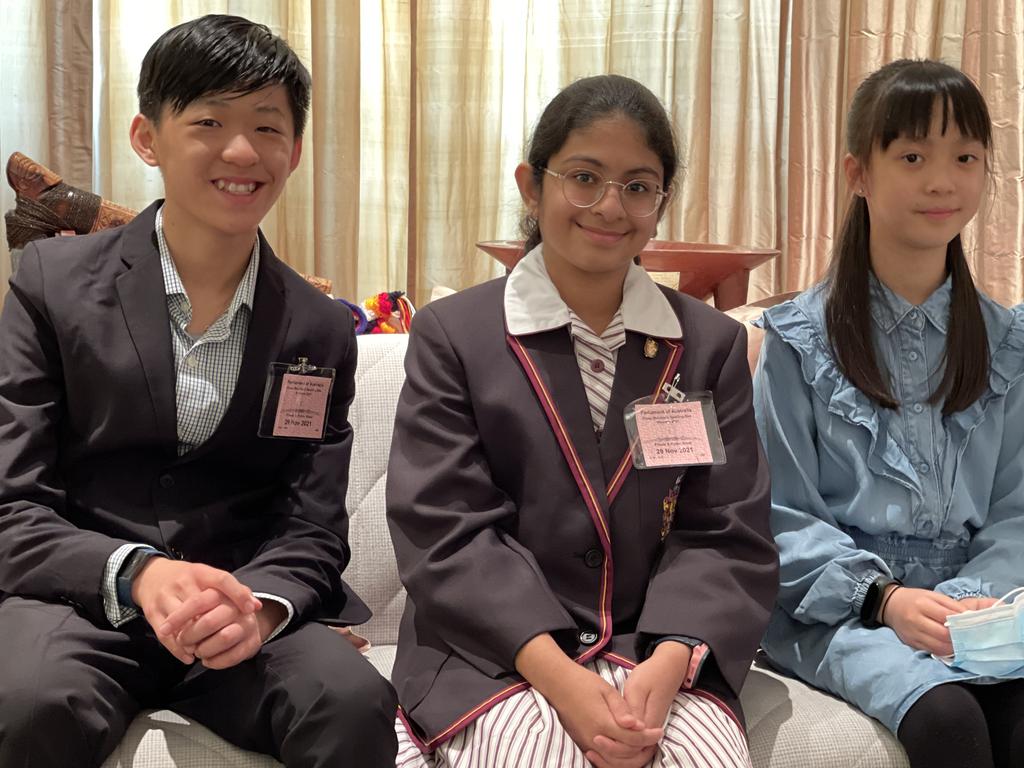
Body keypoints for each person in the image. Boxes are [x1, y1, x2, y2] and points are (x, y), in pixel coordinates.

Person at [0, 14, 397, 767]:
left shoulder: (317, 327)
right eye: (209, 121)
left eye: (266, 127)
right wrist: (139, 572)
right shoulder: (52, 285)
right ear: (147, 137)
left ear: (296, 148)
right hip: (81, 604)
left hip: (236, 611)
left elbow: (312, 525)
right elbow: (12, 501)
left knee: (350, 700)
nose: (242, 152)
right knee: (31, 701)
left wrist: (265, 608)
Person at [387, 74, 778, 768]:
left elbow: (726, 530)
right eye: (584, 177)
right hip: (496, 653)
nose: (609, 206)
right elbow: (445, 529)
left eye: (637, 186)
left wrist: (669, 659)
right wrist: (561, 678)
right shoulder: (457, 334)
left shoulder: (709, 344)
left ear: (660, 204)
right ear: (531, 187)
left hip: (651, 644)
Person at [754, 59, 1024, 768]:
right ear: (858, 174)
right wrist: (886, 599)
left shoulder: (1008, 342)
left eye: (965, 157)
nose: (943, 181)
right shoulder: (797, 340)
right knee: (948, 722)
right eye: (912, 156)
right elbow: (777, 512)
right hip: (841, 610)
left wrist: (969, 602)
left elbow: (1017, 509)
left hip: (978, 609)